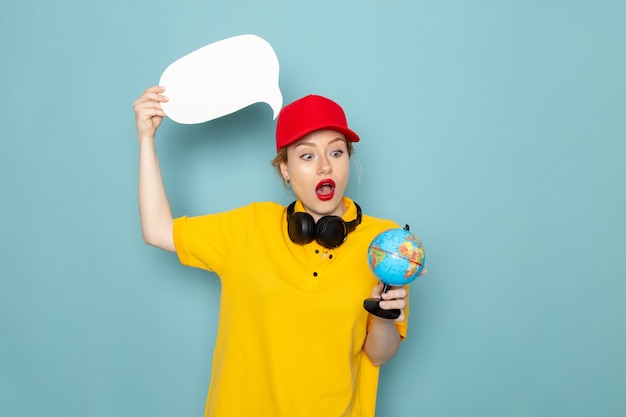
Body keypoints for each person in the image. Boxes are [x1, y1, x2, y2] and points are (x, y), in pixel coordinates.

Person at [133, 86, 411, 417]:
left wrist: (384, 315)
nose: (324, 167)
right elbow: (158, 229)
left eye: (336, 152)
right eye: (307, 156)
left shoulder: (385, 244)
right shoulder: (250, 227)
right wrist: (146, 140)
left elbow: (378, 355)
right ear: (285, 169)